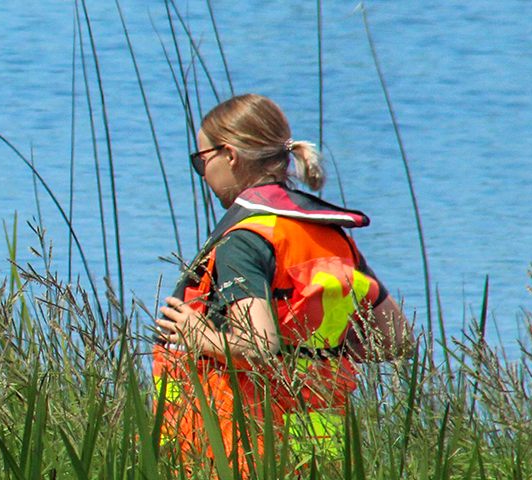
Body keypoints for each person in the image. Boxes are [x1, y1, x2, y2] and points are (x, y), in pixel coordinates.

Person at [153, 93, 414, 473]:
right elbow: (397, 339)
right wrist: (315, 355)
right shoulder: (329, 235)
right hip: (318, 441)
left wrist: (200, 336)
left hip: (243, 445)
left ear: (229, 155)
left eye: (201, 160)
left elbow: (260, 346)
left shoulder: (244, 241)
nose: (202, 173)